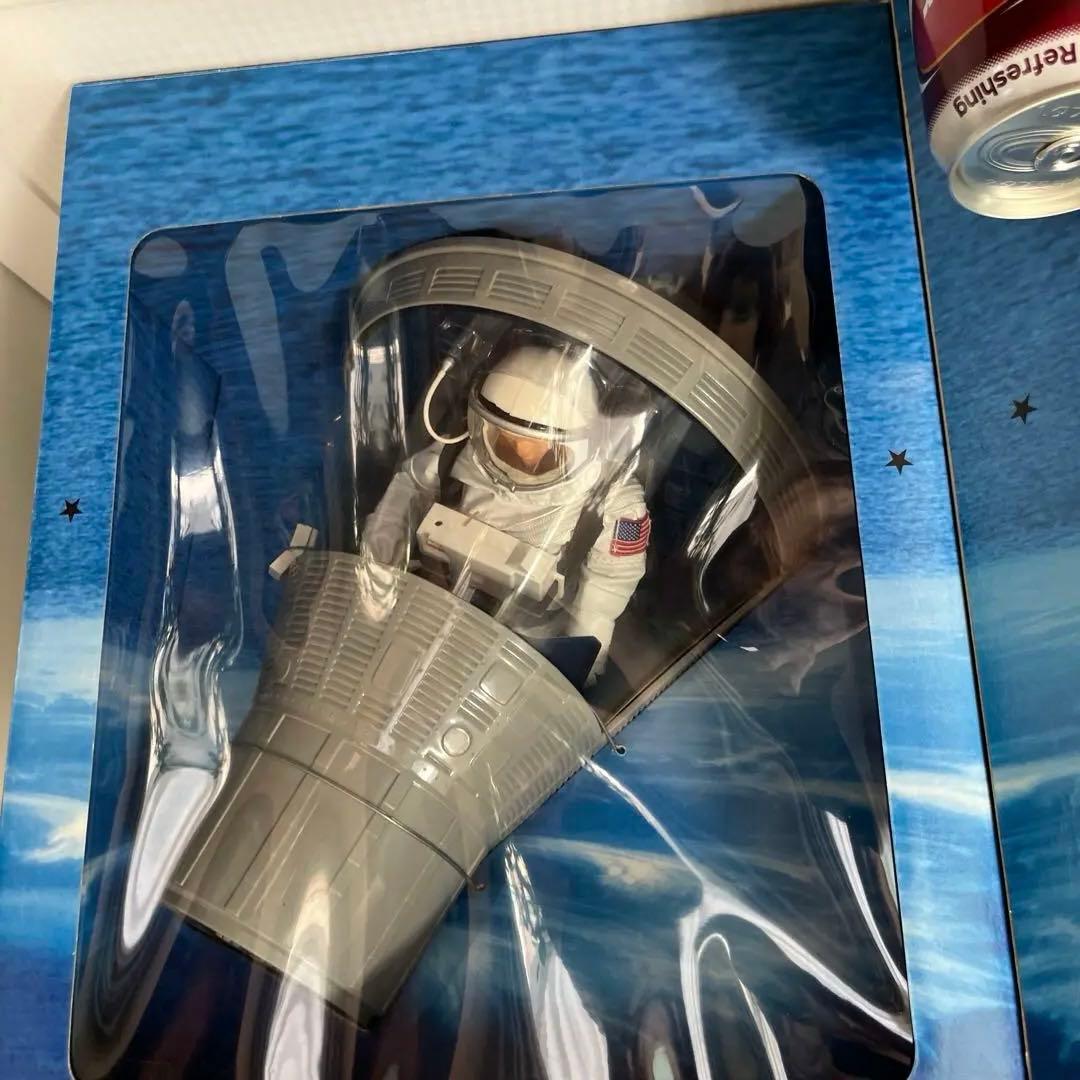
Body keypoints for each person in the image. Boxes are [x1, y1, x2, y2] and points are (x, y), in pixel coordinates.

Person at [361, 342, 650, 683]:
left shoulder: (612, 504)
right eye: (507, 439)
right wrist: (376, 586)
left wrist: (583, 671)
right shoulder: (455, 455)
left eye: (540, 446)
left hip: (527, 646)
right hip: (435, 609)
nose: (523, 454)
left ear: (579, 441)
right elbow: (401, 500)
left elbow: (604, 592)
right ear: (481, 423)